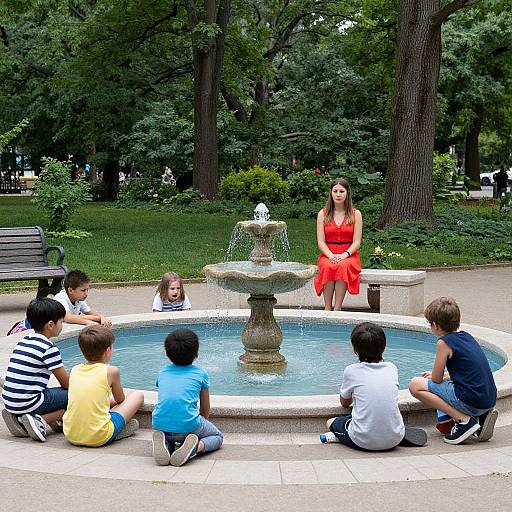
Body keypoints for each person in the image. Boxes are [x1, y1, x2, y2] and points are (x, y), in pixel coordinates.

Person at [320, 322, 426, 451]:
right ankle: (387, 434)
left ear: (354, 349)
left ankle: (340, 437)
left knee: (331, 422)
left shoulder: (351, 370)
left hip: (363, 440)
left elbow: (344, 403)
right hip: (395, 437)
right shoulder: (392, 368)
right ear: (384, 346)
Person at [409, 297, 498, 445]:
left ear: (436, 325)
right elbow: (469, 370)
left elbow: (436, 380)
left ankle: (464, 420)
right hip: (489, 399)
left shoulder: (443, 343)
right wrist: (444, 376)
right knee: (443, 385)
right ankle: (481, 417)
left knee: (415, 385)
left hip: (471, 401)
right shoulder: (467, 337)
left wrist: (436, 377)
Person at [63, 325, 144, 447]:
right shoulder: (111, 371)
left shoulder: (75, 370)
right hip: (98, 437)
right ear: (107, 351)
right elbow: (120, 400)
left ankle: (114, 428)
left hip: (70, 434)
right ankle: (116, 433)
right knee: (137, 396)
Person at [151, 328, 223, 466]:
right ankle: (194, 447)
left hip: (160, 424)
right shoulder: (201, 374)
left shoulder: (162, 372)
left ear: (167, 353)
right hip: (188, 426)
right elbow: (205, 410)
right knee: (218, 437)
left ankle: (167, 443)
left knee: (172, 429)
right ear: (196, 353)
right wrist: (200, 422)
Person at [1, 298, 69, 442]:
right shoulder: (48, 348)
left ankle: (19, 419)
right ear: (51, 325)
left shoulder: (23, 342)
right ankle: (40, 420)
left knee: (52, 393)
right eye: (61, 321)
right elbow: (66, 384)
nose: (62, 325)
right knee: (73, 395)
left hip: (10, 401)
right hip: (30, 402)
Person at [314, 177, 362, 310]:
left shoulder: (355, 214)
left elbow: (357, 242)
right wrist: (330, 256)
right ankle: (327, 307)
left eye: (342, 191)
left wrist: (344, 255)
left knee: (342, 266)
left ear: (347, 193)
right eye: (335, 191)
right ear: (331, 193)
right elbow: (320, 242)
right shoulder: (322, 214)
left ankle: (338, 308)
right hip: (328, 252)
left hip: (349, 254)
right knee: (327, 266)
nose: (338, 194)